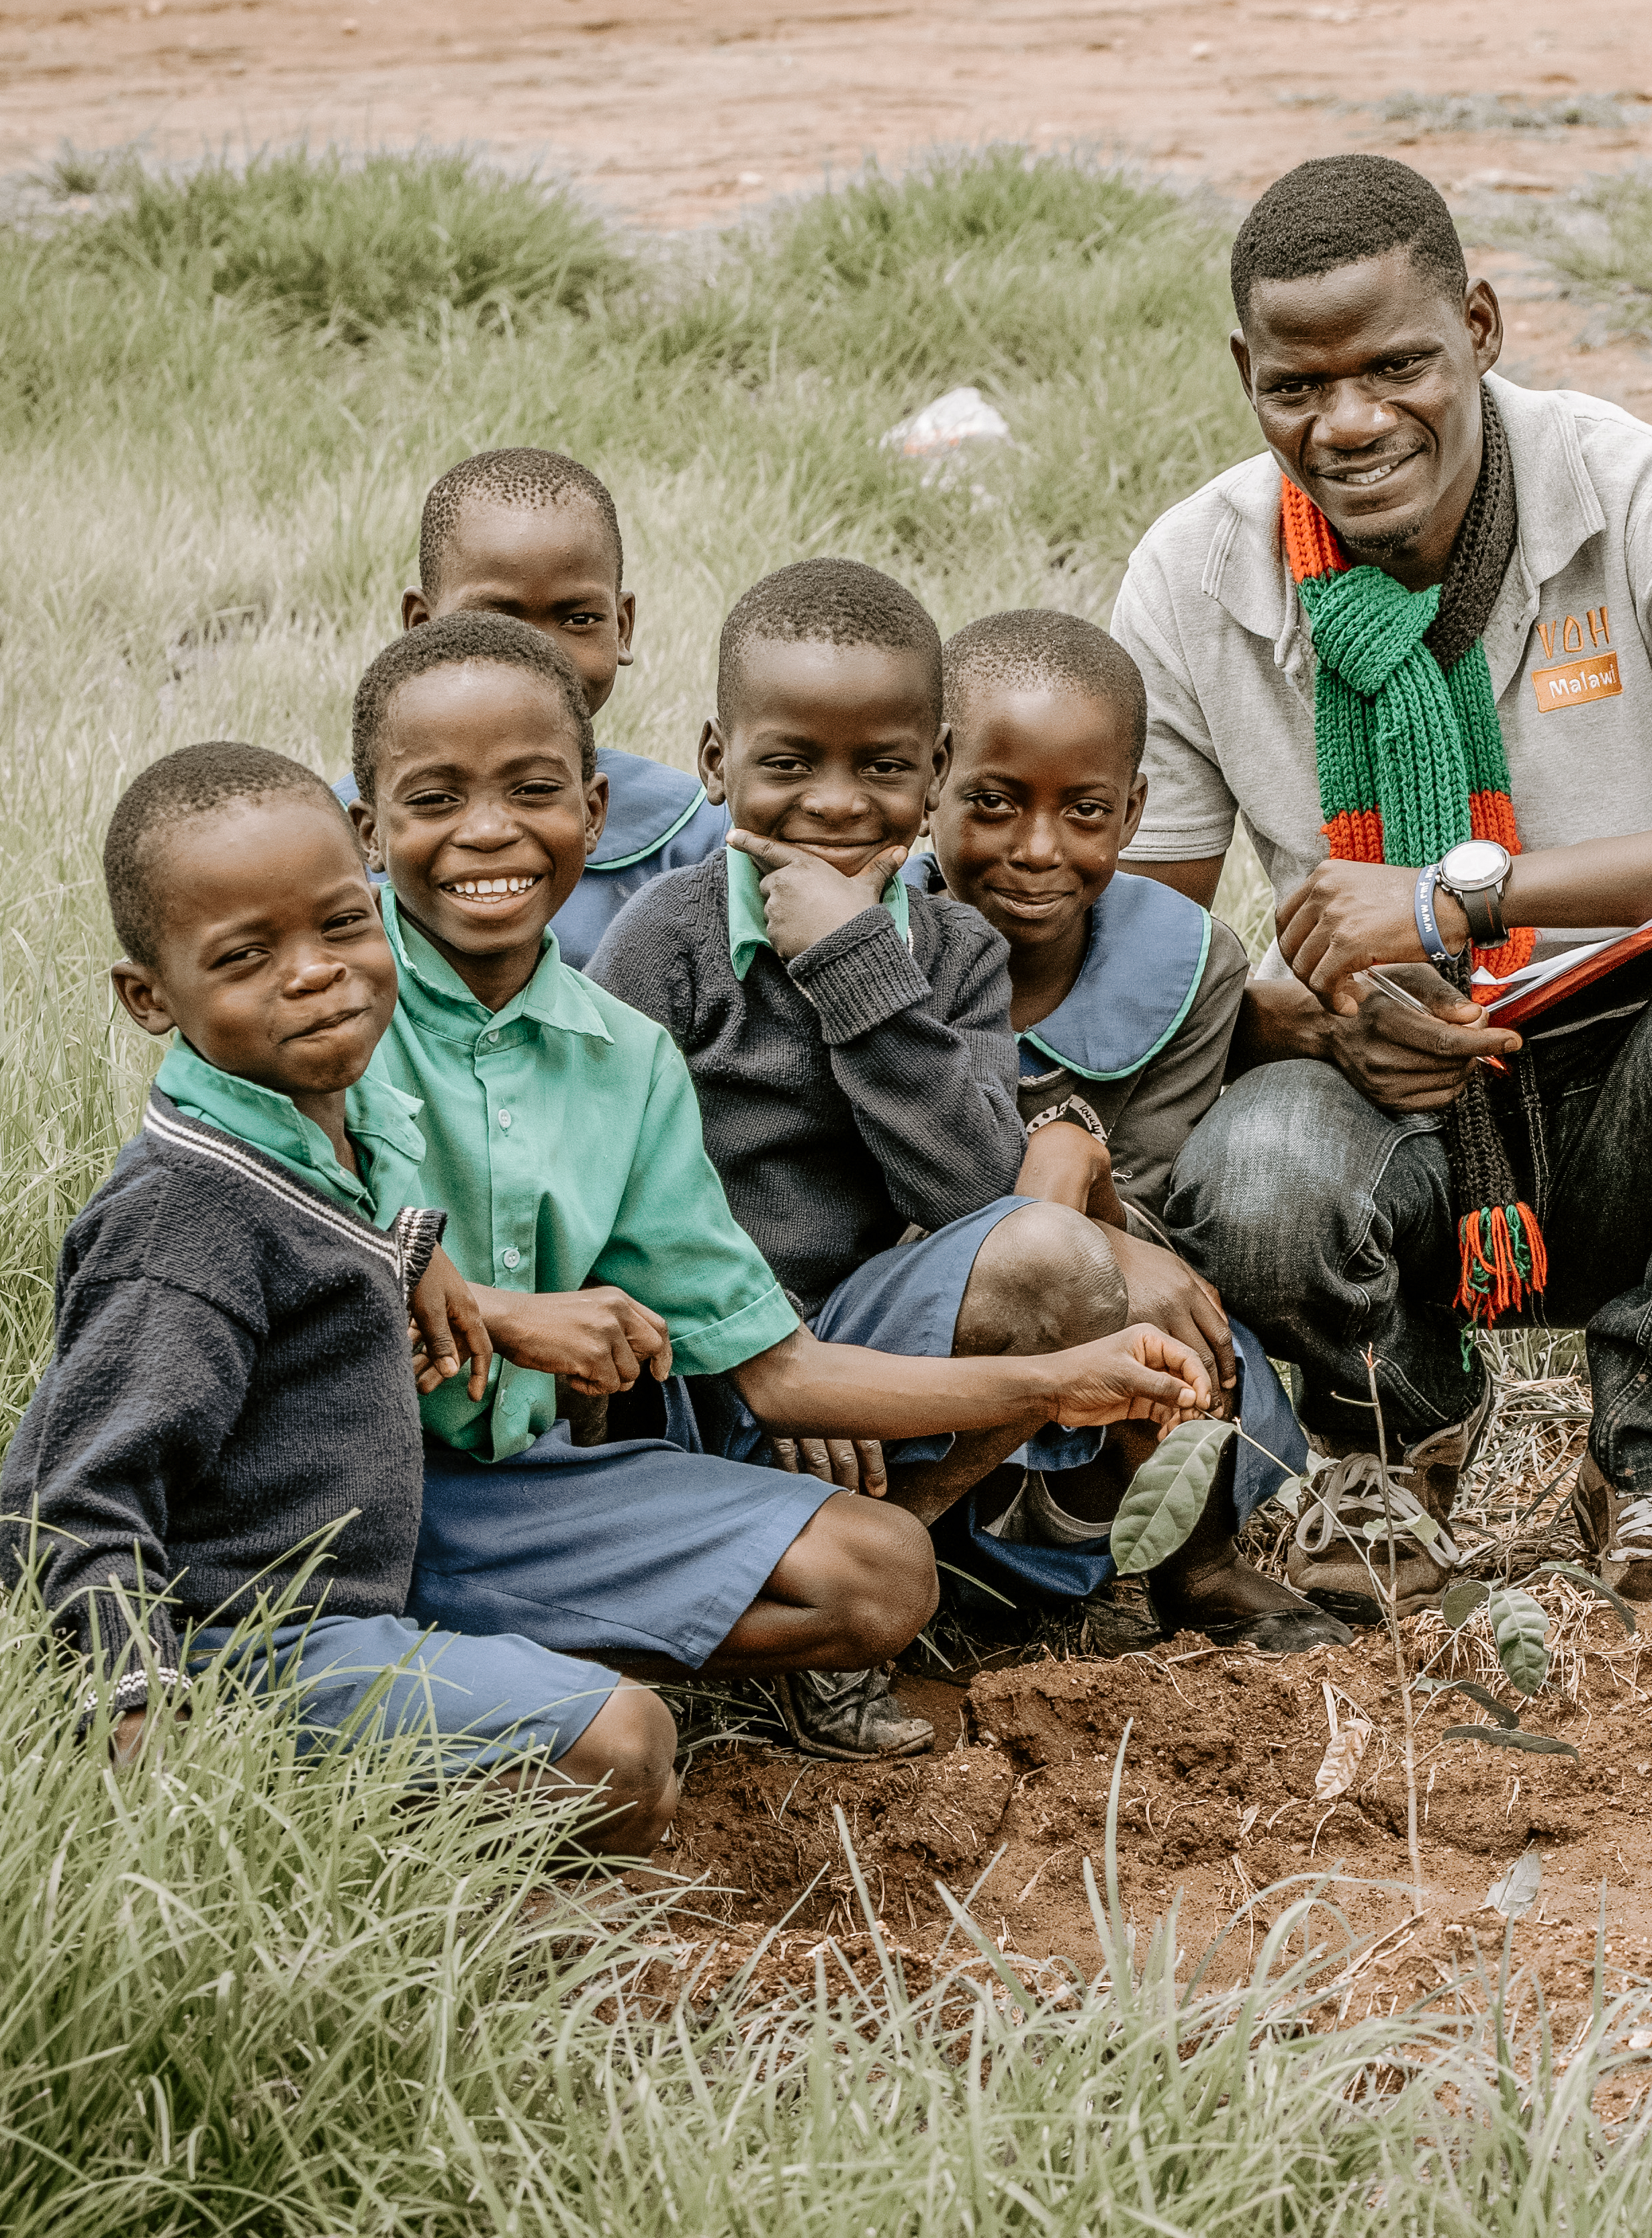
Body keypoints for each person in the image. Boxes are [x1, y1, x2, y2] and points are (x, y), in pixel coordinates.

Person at [1121, 152, 1652, 1618]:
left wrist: (1464, 900)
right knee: (1256, 1179)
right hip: (1387, 1085)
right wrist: (1311, 1020)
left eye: (1401, 366)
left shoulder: (1629, 488)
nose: (1352, 424)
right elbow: (1132, 966)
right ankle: (1393, 1435)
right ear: (1245, 372)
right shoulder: (1194, 571)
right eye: (1297, 386)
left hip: (1631, 1066)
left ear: (1481, 325)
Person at [347, 612, 1211, 1764]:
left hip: (785, 1357)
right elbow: (568, 1249)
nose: (838, 804)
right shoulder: (424, 997)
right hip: (584, 1399)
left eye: (885, 766)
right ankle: (551, 1638)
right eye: (792, 763)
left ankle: (760, 1604)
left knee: (1030, 1295)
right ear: (717, 763)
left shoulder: (915, 963)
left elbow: (958, 1198)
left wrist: (852, 960)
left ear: (934, 768)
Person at [0, 742, 675, 1855]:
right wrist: (139, 1712)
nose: (314, 973)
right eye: (246, 955)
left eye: (343, 925)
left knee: (613, 1707)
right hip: (243, 1645)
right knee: (626, 1740)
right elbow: (70, 1498)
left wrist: (400, 1261)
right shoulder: (186, 1215)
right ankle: (331, 1851)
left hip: (350, 1598)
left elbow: (312, 1262)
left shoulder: (308, 1123)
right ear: (148, 997)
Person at [911, 606, 1335, 1648]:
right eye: (995, 803)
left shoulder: (1186, 969)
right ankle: (908, 1555)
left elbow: (1145, 1205)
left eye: (1086, 810)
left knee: (1169, 1315)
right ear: (930, 781)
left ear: (1136, 811)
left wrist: (1090, 1194)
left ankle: (1195, 1571)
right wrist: (1064, 1177)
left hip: (1093, 1316)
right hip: (917, 1314)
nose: (1037, 850)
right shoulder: (869, 950)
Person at [363, 447, 733, 968]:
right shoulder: (337, 841)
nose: (538, 657)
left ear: (621, 627)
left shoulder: (700, 833)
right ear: (421, 623)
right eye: (496, 621)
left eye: (578, 620)